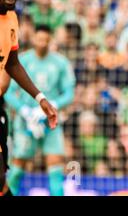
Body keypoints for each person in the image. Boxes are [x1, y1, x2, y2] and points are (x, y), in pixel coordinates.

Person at [0, 0, 58, 196]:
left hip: (0, 107)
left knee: (2, 176)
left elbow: (13, 63)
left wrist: (40, 97)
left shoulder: (12, 18)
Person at [4, 24, 75, 196]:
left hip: (50, 120)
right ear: (33, 38)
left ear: (50, 40)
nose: (42, 43)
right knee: (17, 167)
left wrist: (54, 105)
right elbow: (7, 91)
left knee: (55, 166)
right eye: (39, 39)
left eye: (45, 40)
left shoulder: (60, 63)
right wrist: (25, 111)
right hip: (25, 122)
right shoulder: (21, 61)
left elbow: (69, 92)